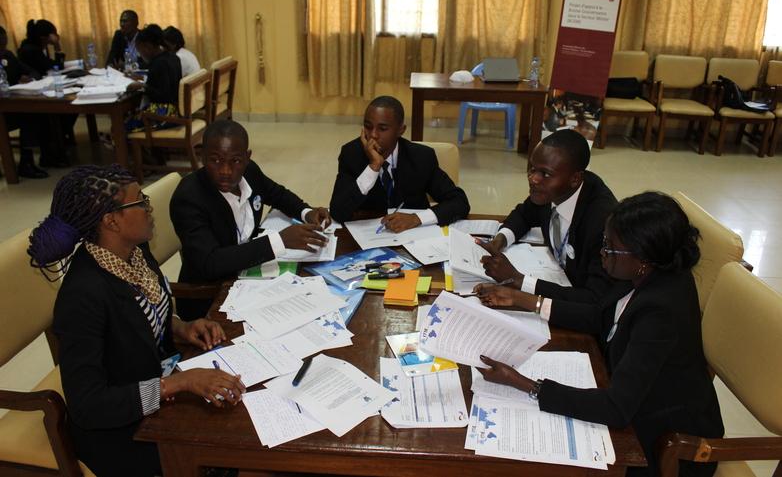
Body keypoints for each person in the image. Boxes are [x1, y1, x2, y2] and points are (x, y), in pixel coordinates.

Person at [474, 192, 724, 477]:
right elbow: (600, 315)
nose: (601, 253)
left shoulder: (661, 310)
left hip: (666, 444)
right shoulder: (645, 272)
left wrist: (522, 383)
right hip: (630, 397)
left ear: (642, 257)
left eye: (609, 247)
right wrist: (526, 300)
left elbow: (616, 408)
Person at [27, 164, 245, 477]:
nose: (148, 207)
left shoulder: (134, 251)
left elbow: (138, 317)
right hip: (119, 430)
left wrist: (181, 326)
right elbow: (88, 406)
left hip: (155, 382)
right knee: (227, 453)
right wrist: (178, 383)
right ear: (110, 220)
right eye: (140, 201)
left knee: (234, 422)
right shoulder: (83, 295)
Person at [171, 120, 332, 320]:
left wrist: (305, 211)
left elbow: (276, 194)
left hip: (249, 277)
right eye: (216, 160)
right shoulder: (189, 197)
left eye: (235, 161)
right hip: (209, 299)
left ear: (247, 158)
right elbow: (210, 262)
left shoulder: (248, 172)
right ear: (202, 156)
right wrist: (279, 241)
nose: (226, 171)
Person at [480, 130, 619, 304]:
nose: (533, 179)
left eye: (545, 174)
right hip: (555, 279)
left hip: (576, 309)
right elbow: (524, 214)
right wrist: (499, 241)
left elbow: (594, 298)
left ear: (575, 179)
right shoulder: (551, 191)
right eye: (532, 169)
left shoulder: (602, 223)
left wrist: (520, 281)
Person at [330, 95, 470, 230]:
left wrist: (416, 218)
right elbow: (338, 211)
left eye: (382, 128)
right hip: (369, 237)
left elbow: (459, 202)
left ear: (400, 130)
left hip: (414, 238)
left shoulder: (421, 157)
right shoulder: (351, 154)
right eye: (368, 126)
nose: (373, 134)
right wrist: (373, 168)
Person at [0, 25, 56, 178]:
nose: (2, 49)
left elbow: (33, 71)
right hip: (3, 111)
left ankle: (46, 155)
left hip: (12, 105)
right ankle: (26, 163)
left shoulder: (8, 56)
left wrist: (28, 77)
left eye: (4, 43)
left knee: (39, 113)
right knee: (28, 117)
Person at [17, 19, 78, 152]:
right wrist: (57, 47)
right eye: (54, 34)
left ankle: (60, 137)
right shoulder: (30, 50)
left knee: (73, 103)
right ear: (44, 37)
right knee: (70, 105)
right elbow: (55, 67)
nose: (56, 37)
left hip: (43, 87)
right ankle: (56, 140)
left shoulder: (37, 47)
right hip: (34, 95)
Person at [125, 24, 182, 132]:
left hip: (164, 114)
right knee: (130, 117)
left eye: (139, 50)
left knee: (120, 127)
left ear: (148, 46)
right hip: (176, 110)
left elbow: (162, 95)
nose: (140, 54)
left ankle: (128, 146)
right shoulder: (173, 57)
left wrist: (143, 86)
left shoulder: (158, 64)